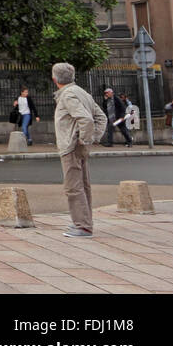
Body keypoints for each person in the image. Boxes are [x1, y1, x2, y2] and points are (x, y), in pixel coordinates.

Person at [52, 61, 108, 237]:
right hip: (78, 145)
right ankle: (84, 222)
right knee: (83, 185)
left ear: (54, 79)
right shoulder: (82, 92)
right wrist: (94, 138)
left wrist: (84, 139)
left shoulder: (68, 95)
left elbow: (86, 119)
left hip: (71, 145)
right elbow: (101, 117)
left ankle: (82, 226)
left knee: (73, 187)